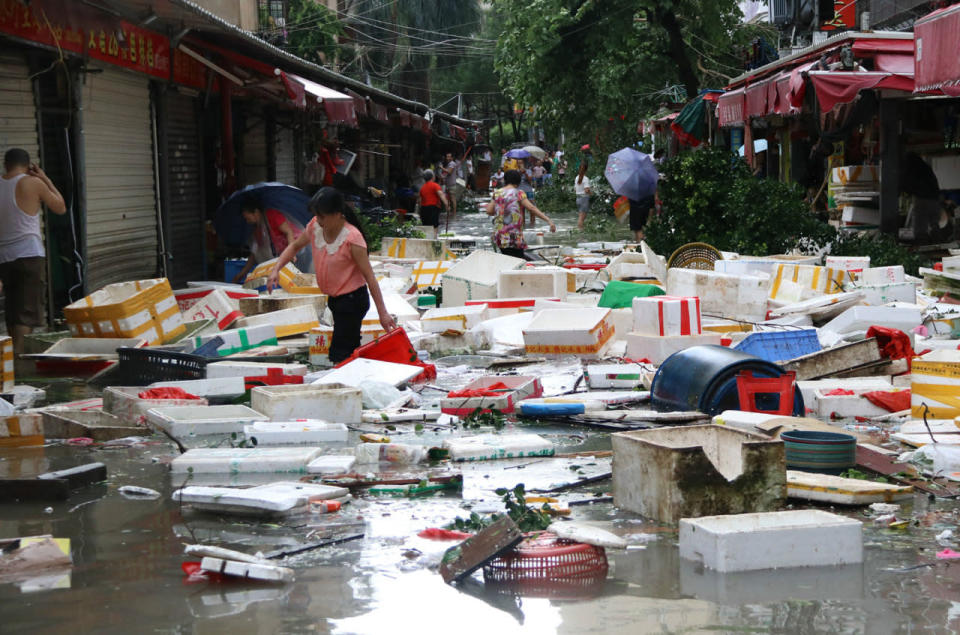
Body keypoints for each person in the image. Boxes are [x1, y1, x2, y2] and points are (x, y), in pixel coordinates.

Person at [268, 187, 395, 364]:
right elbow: (295, 246)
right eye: (317, 216)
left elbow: (370, 277)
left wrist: (383, 314)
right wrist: (276, 269)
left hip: (353, 300)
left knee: (340, 352)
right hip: (335, 299)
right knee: (347, 348)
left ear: (337, 214)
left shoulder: (352, 239)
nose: (319, 220)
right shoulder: (315, 227)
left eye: (322, 216)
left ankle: (348, 382)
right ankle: (354, 377)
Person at [0, 148, 66, 368]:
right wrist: (45, 178)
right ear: (29, 166)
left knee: (12, 309)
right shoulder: (33, 183)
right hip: (29, 255)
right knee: (26, 310)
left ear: (5, 164)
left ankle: (11, 355)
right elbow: (60, 207)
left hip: (5, 257)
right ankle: (16, 360)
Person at [485, 169, 556, 259]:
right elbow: (531, 208)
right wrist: (548, 220)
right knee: (518, 260)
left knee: (509, 259)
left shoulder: (497, 193)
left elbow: (489, 211)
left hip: (500, 236)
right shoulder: (519, 193)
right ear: (518, 181)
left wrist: (501, 209)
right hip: (514, 236)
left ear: (505, 180)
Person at [233, 196, 300, 283]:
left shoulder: (272, 215)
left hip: (297, 251)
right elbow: (254, 254)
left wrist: (292, 253)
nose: (247, 221)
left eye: (248, 218)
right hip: (283, 259)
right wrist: (241, 274)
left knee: (297, 281)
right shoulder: (257, 229)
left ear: (256, 212)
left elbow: (289, 232)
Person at [418, 169, 449, 238]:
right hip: (433, 208)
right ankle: (434, 243)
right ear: (432, 177)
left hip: (423, 209)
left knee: (426, 228)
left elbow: (419, 201)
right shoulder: (435, 185)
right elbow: (441, 195)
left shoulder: (422, 188)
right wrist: (447, 205)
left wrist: (419, 212)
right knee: (434, 228)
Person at [574, 163, 592, 230]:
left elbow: (575, 189)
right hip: (584, 199)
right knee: (581, 218)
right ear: (586, 170)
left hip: (578, 199)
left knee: (580, 217)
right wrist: (591, 193)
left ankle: (580, 229)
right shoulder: (585, 178)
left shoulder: (576, 177)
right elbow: (586, 190)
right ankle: (581, 232)